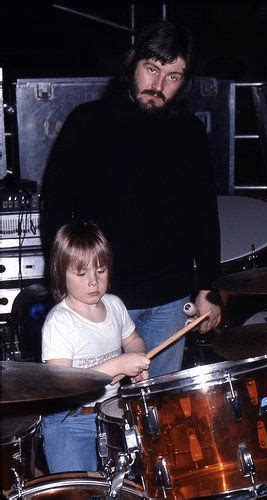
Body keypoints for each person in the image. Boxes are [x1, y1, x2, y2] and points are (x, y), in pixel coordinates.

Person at [41, 20, 221, 378]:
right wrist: (65, 285)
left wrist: (209, 287)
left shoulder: (190, 132)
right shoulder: (87, 122)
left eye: (173, 76)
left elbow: (204, 213)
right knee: (94, 413)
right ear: (132, 64)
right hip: (98, 300)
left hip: (169, 299)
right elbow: (55, 208)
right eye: (151, 69)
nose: (158, 85)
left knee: (153, 415)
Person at [41, 221, 150, 473]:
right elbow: (63, 383)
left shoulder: (114, 305)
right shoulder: (60, 321)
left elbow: (133, 339)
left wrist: (136, 355)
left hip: (111, 414)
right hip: (70, 421)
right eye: (81, 274)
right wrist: (117, 365)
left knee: (119, 486)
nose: (93, 282)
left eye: (100, 271)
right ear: (60, 273)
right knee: (77, 489)